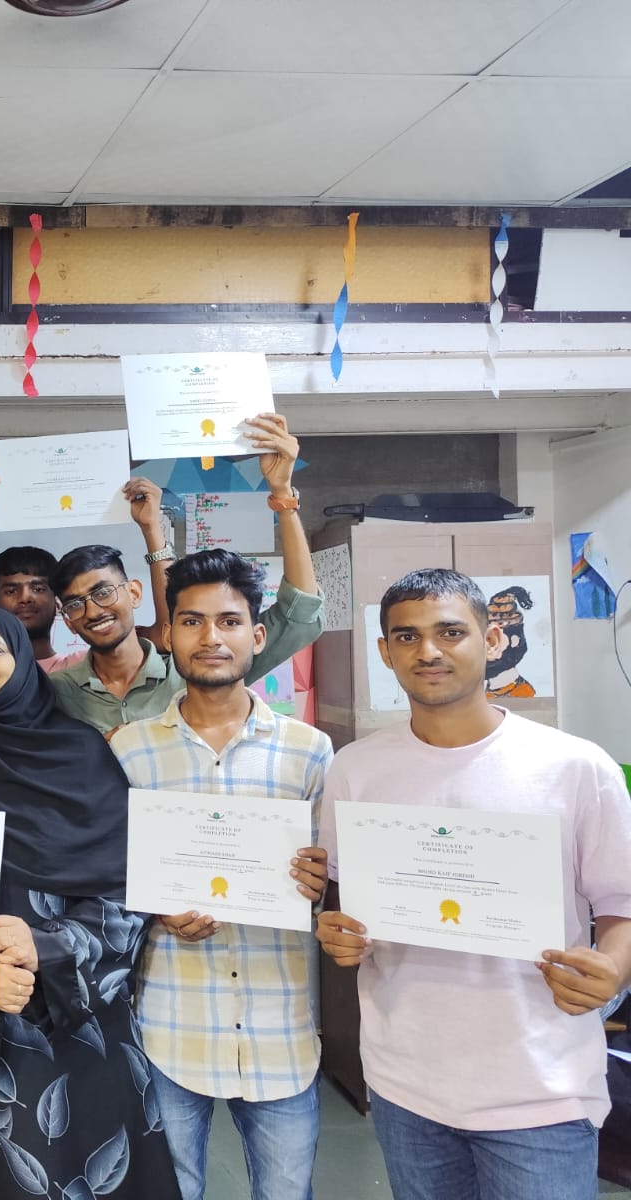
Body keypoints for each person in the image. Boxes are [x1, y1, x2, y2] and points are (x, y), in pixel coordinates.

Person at [317, 569, 631, 1200]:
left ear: (492, 641)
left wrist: (614, 968)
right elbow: (346, 898)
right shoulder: (354, 770)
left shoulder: (573, 767)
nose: (427, 651)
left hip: (538, 1087)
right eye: (406, 636)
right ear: (384, 652)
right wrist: (338, 934)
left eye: (450, 632)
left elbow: (621, 903)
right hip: (406, 1082)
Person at [0, 608, 181, 1200]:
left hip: (73, 1020)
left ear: (22, 663)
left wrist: (46, 947)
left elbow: (125, 889)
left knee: (77, 1158)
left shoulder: (80, 755)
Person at [110, 550, 332, 1200]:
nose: (212, 638)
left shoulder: (310, 752)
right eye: (192, 621)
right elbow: (108, 875)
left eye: (230, 621)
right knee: (171, 1191)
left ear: (257, 636)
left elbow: (344, 883)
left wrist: (324, 883)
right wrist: (153, 905)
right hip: (170, 1025)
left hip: (281, 1025)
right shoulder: (128, 751)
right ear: (170, 634)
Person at [50, 413, 322, 737]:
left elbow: (300, 610)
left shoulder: (198, 668)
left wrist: (283, 497)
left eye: (103, 592)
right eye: (76, 604)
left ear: (134, 593)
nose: (94, 610)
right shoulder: (56, 691)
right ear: (65, 617)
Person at [0, 468, 174, 674]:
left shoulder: (86, 667)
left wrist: (151, 528)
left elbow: (167, 633)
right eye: (10, 590)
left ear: (61, 605)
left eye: (38, 588)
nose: (26, 597)